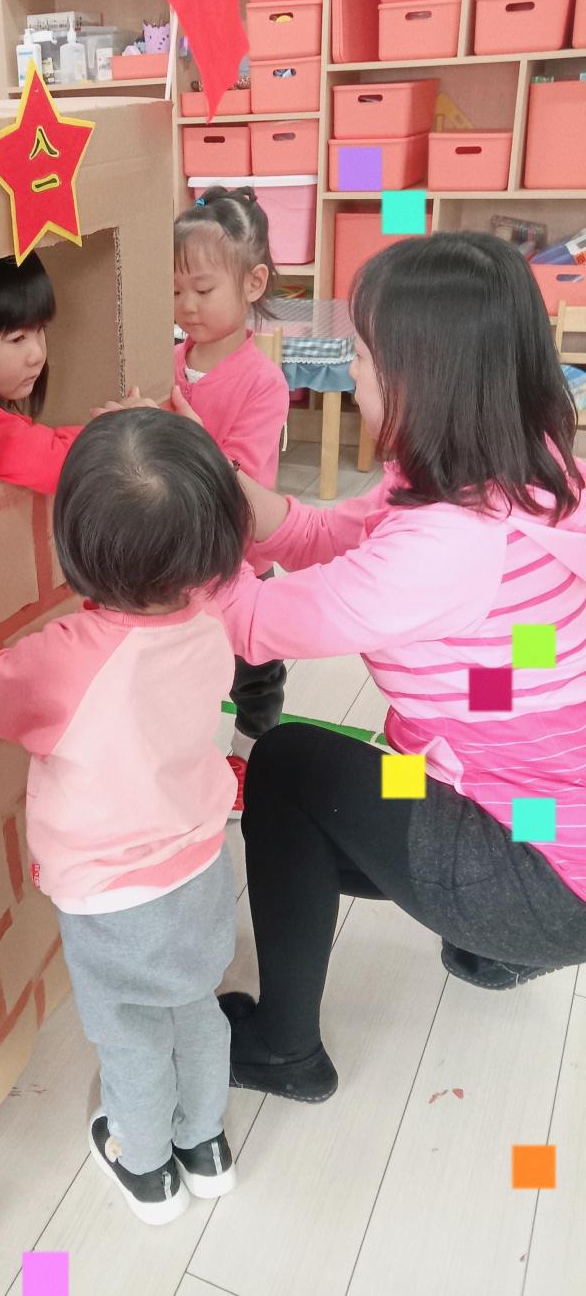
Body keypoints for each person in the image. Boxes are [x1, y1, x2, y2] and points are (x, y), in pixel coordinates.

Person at [189, 231, 586, 1104]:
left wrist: (164, 515)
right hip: (547, 823)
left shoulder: (447, 547)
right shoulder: (515, 463)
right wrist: (215, 472)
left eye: (363, 357)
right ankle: (490, 943)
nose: (350, 372)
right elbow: (323, 534)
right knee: (366, 781)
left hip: (545, 873)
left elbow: (251, 622)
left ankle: (284, 1047)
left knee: (288, 767)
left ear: (420, 378)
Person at [0, 409, 250, 1224]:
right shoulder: (212, 619)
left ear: (74, 546)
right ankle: (205, 1144)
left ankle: (146, 1164)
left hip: (110, 895)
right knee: (196, 1005)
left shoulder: (66, 656)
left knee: (129, 1032)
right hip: (199, 863)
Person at [173, 186, 291, 812]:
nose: (187, 306)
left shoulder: (262, 381)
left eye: (202, 288)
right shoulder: (168, 361)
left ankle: (250, 754)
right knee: (184, 664)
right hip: (178, 558)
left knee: (256, 675)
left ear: (253, 283)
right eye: (176, 291)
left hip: (242, 559)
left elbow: (241, 477)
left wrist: (186, 433)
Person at [0, 253, 84, 494]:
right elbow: (55, 466)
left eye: (40, 329)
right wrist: (120, 431)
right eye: (17, 338)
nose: (37, 354)